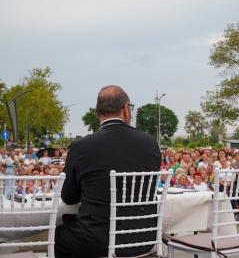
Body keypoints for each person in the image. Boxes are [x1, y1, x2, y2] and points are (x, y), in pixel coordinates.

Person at [55, 85, 161, 257]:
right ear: (126, 109)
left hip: (97, 240)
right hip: (146, 237)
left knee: (57, 235)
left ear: (98, 113)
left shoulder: (81, 147)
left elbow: (68, 197)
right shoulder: (150, 143)